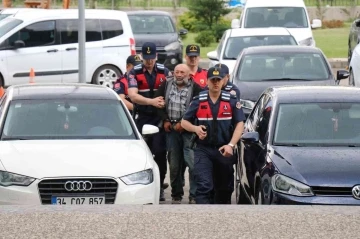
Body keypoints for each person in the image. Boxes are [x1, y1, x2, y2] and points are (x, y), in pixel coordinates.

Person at [181, 66, 246, 204]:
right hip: (203, 150)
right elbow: (184, 122)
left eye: (219, 79)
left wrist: (231, 145)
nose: (216, 83)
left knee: (224, 189)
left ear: (223, 81)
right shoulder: (199, 100)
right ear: (207, 81)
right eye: (213, 80)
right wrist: (195, 129)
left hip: (224, 150)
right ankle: (203, 219)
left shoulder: (232, 101)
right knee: (204, 186)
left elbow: (240, 124)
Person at [128, 42, 172, 202]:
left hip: (159, 118)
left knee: (160, 153)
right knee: (141, 153)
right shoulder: (134, 72)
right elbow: (133, 95)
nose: (149, 62)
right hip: (142, 116)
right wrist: (151, 101)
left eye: (151, 58)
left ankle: (159, 187)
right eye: (146, 58)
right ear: (141, 57)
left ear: (156, 56)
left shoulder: (164, 71)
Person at [155, 63, 202, 204]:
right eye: (177, 72)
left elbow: (199, 109)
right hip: (171, 131)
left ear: (189, 75)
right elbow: (158, 103)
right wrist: (164, 120)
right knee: (174, 164)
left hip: (189, 132)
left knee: (192, 164)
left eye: (182, 72)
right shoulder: (166, 84)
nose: (179, 75)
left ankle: (193, 195)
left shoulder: (196, 88)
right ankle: (176, 195)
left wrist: (186, 123)